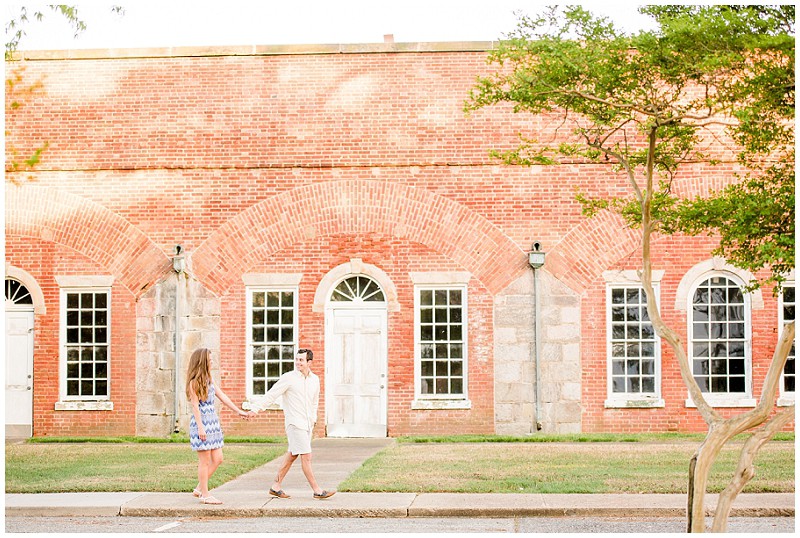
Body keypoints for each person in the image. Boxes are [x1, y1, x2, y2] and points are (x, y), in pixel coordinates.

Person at [245, 348, 335, 499]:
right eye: (297, 359)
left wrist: (313, 419)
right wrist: (255, 408)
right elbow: (271, 395)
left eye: (301, 360)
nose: (298, 362)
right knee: (306, 456)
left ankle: (275, 486)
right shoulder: (288, 378)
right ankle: (317, 490)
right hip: (294, 424)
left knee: (292, 455)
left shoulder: (315, 380)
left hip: (307, 425)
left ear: (309, 362)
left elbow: (314, 402)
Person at [186, 347, 251, 505]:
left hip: (213, 423)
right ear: (203, 362)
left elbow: (222, 397)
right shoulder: (193, 383)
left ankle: (199, 488)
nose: (212, 361)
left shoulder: (209, 379)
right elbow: (195, 406)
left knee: (218, 458)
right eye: (210, 359)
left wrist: (239, 411)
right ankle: (205, 495)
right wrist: (201, 427)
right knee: (205, 461)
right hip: (201, 423)